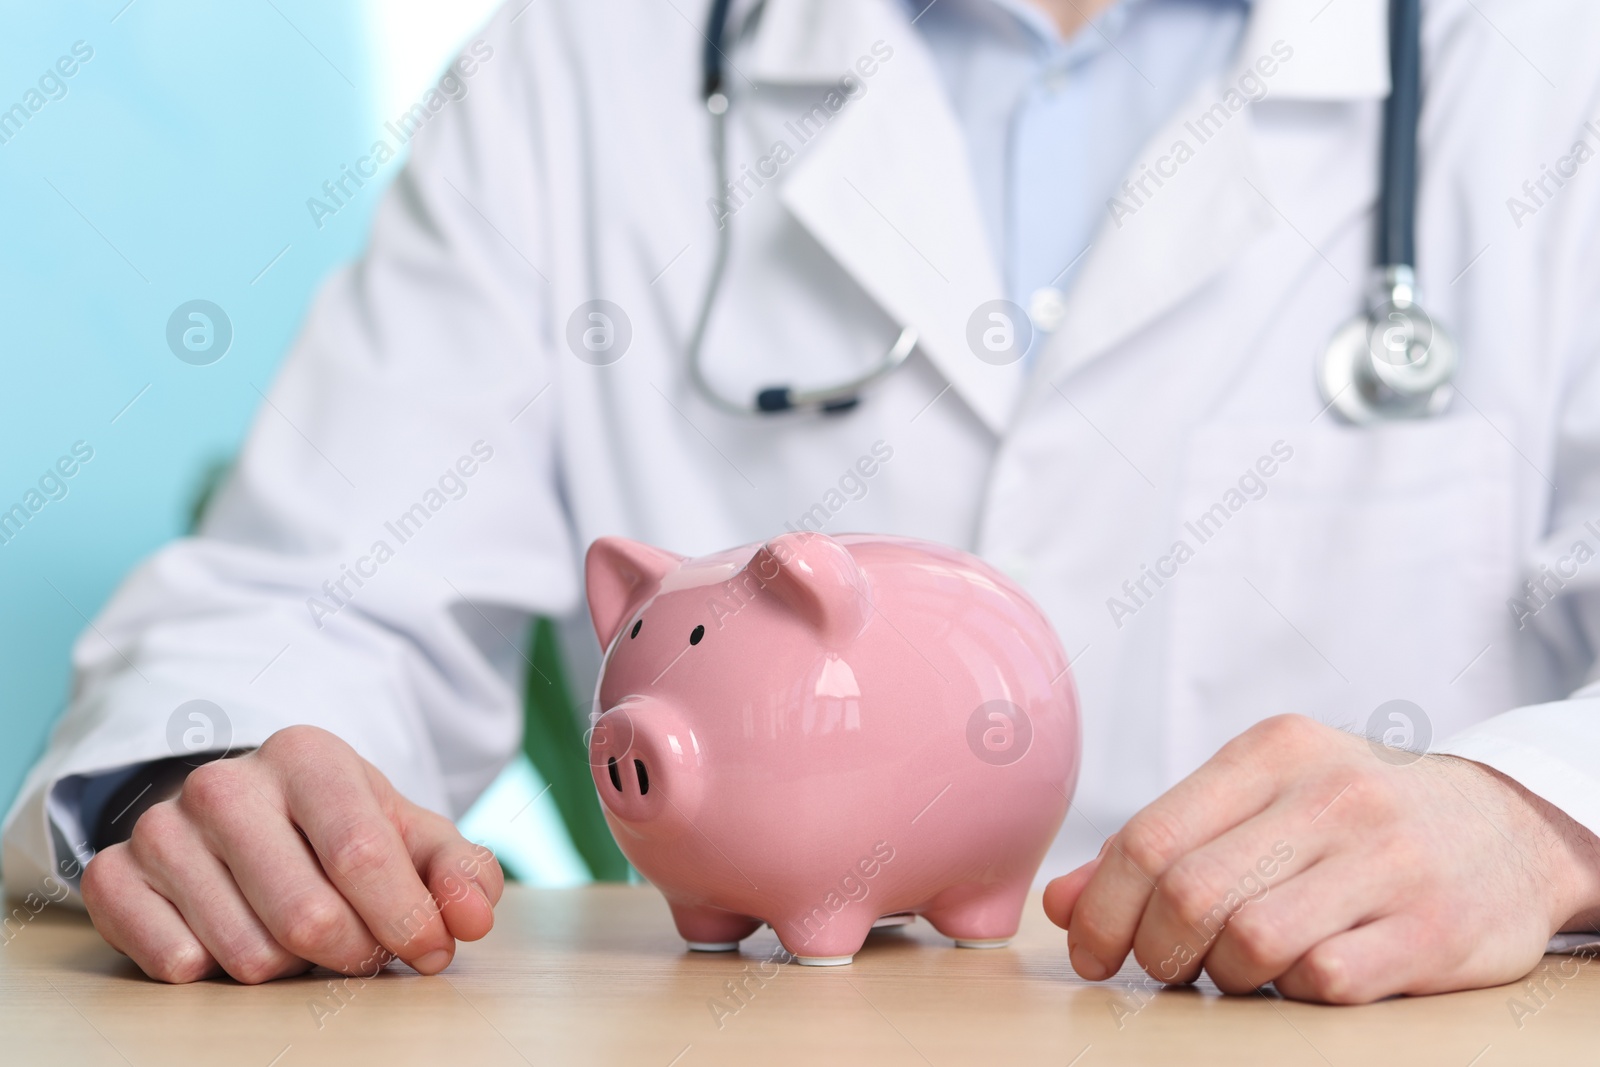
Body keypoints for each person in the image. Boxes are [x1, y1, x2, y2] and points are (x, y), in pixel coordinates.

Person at [7, 0, 1600, 1004]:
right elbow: (309, 589)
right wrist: (209, 778)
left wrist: (1540, 816)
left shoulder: (1549, 69)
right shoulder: (586, 61)